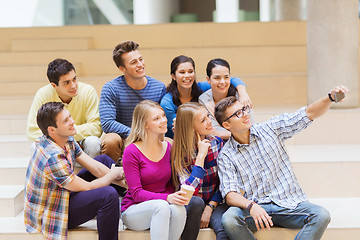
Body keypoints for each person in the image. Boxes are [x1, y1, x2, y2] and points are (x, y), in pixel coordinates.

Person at [214, 85, 348, 240]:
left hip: (289, 204)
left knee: (321, 215)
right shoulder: (226, 155)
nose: (245, 114)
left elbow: (308, 113)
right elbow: (230, 194)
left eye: (244, 109)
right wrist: (251, 206)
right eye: (238, 114)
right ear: (226, 125)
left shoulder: (270, 129)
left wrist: (331, 98)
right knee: (229, 219)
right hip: (257, 208)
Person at [24, 102, 125, 240]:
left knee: (103, 160)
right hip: (52, 212)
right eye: (66, 121)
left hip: (62, 194)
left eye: (69, 117)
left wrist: (128, 185)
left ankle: (137, 193)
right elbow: (88, 187)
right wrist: (112, 175)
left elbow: (95, 167)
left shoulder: (66, 139)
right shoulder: (52, 157)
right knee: (108, 195)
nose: (72, 122)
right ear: (52, 130)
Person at [120, 100, 187, 240]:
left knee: (179, 209)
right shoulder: (131, 151)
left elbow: (170, 184)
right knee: (161, 206)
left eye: (163, 116)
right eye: (156, 119)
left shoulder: (168, 146)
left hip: (162, 206)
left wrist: (172, 197)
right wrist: (167, 198)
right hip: (134, 210)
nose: (163, 120)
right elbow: (137, 193)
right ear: (145, 124)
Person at [99, 40, 166, 162]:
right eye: (134, 62)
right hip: (124, 137)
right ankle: (112, 178)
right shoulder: (111, 88)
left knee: (169, 142)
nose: (140, 64)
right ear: (122, 68)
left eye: (141, 59)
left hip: (151, 137)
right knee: (110, 140)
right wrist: (137, 134)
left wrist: (148, 136)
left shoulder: (159, 87)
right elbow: (107, 123)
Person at [171, 102, 230, 240]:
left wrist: (210, 207)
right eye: (203, 120)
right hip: (191, 204)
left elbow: (225, 181)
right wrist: (201, 157)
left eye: (208, 116)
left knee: (222, 228)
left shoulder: (217, 143)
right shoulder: (179, 153)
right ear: (190, 127)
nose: (209, 122)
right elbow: (187, 193)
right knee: (196, 202)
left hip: (216, 202)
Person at [160, 55, 251, 138]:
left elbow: (232, 80)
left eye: (190, 71)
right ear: (173, 76)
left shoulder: (201, 87)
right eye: (182, 72)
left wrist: (242, 92)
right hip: (180, 140)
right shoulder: (167, 102)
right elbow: (184, 129)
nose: (187, 76)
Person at [26, 58, 102, 158]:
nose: (74, 86)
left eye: (74, 79)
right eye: (66, 83)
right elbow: (33, 130)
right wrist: (62, 137)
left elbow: (96, 126)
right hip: (55, 141)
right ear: (54, 85)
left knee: (93, 142)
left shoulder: (88, 91)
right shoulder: (43, 94)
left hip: (81, 139)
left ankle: (90, 173)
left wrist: (67, 134)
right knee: (35, 147)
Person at [199, 58, 253, 140]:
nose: (222, 82)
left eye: (226, 77)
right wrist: (238, 132)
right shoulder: (204, 99)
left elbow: (250, 128)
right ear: (208, 80)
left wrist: (222, 134)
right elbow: (213, 132)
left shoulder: (240, 96)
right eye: (217, 78)